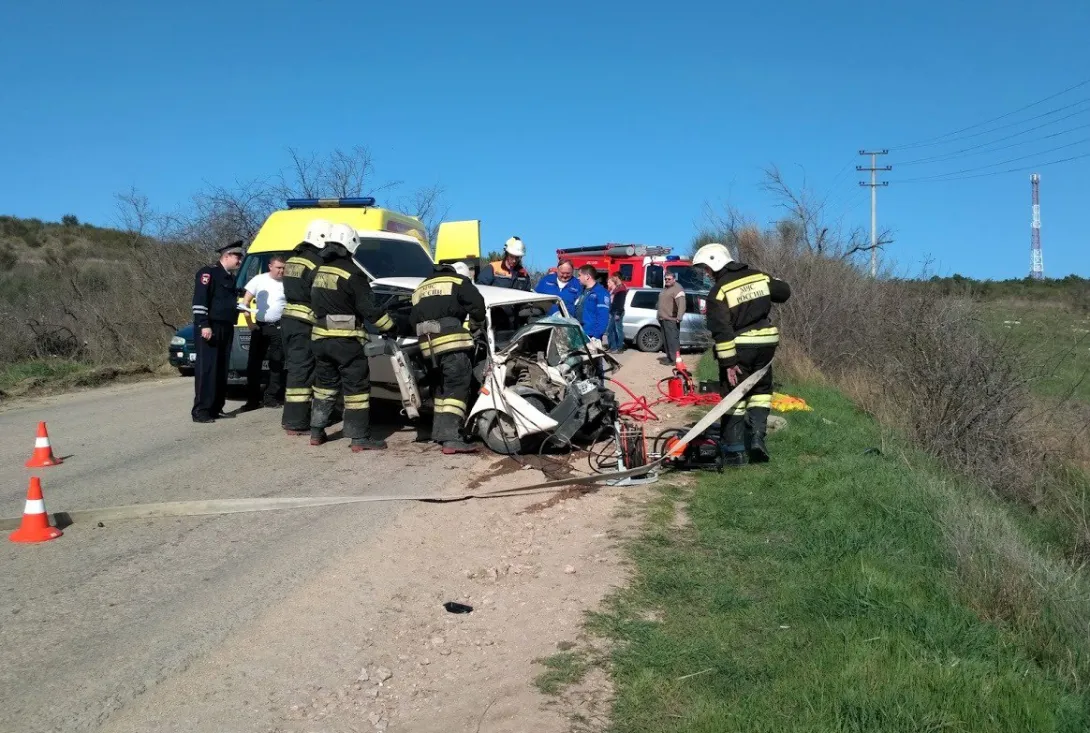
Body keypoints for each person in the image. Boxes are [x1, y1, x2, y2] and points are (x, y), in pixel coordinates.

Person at [692, 242, 791, 466]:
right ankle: (757, 438)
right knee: (761, 392)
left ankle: (735, 452)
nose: (706, 274)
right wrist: (770, 279)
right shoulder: (759, 277)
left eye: (706, 269)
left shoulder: (719, 292)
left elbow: (721, 329)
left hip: (740, 347)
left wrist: (729, 363)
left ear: (715, 263)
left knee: (734, 396)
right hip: (766, 345)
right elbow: (784, 292)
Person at [309, 223, 397, 451]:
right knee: (356, 389)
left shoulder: (319, 270)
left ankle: (316, 432)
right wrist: (390, 326)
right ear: (350, 245)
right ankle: (359, 439)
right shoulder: (353, 273)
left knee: (324, 387)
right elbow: (369, 309)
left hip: (319, 339)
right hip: (345, 341)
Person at [410, 262, 487, 454]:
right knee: (458, 387)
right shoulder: (458, 281)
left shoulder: (421, 287)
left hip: (428, 348)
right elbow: (478, 305)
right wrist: (475, 326)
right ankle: (452, 438)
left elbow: (412, 319)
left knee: (442, 389)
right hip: (452, 343)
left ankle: (441, 433)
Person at [280, 219, 333, 435]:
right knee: (302, 371)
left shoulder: (294, 259)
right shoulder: (316, 263)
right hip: (305, 322)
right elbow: (320, 293)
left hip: (289, 321)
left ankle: (296, 417)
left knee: (295, 368)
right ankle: (295, 421)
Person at [191, 240, 245, 423]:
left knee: (221, 369)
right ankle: (201, 410)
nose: (240, 261)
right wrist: (203, 324)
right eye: (237, 257)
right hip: (211, 327)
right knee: (207, 369)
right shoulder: (208, 273)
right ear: (227, 255)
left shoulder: (230, 277)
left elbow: (226, 303)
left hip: (226, 327)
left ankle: (216, 407)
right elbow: (200, 301)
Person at [239, 255, 287, 411]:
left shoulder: (287, 282)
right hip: (260, 327)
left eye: (283, 268)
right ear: (270, 267)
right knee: (253, 363)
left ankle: (271, 397)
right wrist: (250, 323)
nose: (281, 271)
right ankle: (252, 399)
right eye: (278, 267)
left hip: (279, 327)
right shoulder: (259, 280)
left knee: (277, 363)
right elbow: (244, 303)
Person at [573, 265, 611, 345]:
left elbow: (603, 316)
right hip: (579, 332)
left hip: (591, 335)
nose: (578, 278)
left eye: (580, 275)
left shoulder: (601, 292)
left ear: (587, 276)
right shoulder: (582, 291)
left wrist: (596, 336)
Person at [656, 271, 686, 365]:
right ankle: (669, 358)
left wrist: (679, 316)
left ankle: (675, 360)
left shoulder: (677, 288)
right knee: (666, 340)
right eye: (665, 279)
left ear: (674, 279)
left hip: (671, 319)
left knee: (673, 340)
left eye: (669, 279)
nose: (667, 280)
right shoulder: (666, 288)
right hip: (663, 318)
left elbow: (681, 303)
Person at [606, 274, 627, 353]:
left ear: (617, 278)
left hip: (617, 311)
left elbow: (620, 303)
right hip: (613, 311)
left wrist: (618, 313)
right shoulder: (616, 289)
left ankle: (619, 348)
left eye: (614, 277)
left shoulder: (621, 289)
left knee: (618, 330)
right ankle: (612, 347)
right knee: (611, 330)